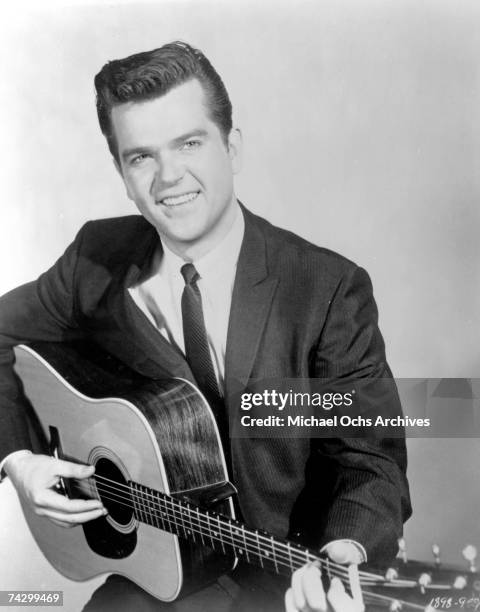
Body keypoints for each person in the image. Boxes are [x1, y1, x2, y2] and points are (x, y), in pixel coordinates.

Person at [0, 42, 411, 610]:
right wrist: (19, 461)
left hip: (286, 578)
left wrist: (346, 551)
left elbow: (371, 461)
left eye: (189, 143)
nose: (169, 178)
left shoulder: (325, 288)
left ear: (231, 147)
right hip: (159, 568)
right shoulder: (97, 258)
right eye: (141, 156)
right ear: (121, 172)